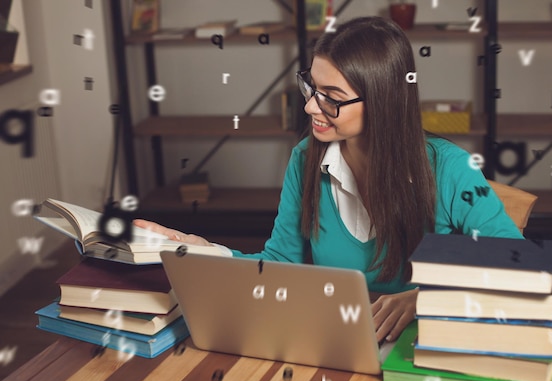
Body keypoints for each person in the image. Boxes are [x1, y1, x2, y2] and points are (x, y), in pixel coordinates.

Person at [134, 16, 523, 343]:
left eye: (331, 97)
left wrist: (424, 298)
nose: (310, 107)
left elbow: (519, 265)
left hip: (426, 346)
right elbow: (279, 264)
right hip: (341, 340)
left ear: (384, 99)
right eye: (312, 88)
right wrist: (208, 252)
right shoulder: (306, 158)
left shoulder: (451, 169)